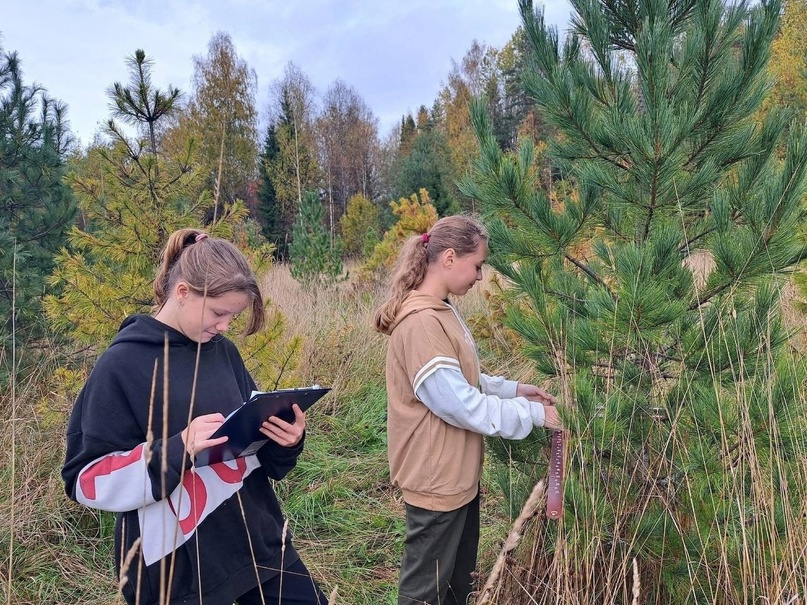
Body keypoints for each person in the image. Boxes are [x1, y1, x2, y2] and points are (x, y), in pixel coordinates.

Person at [62, 228, 328, 605]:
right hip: (177, 568)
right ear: (183, 292)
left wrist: (285, 441)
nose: (224, 326)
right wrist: (178, 449)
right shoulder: (120, 366)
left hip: (255, 543)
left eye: (232, 317)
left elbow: (256, 458)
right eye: (219, 313)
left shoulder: (223, 352)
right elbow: (84, 479)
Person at [373, 215, 562, 605]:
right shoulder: (422, 323)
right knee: (424, 592)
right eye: (477, 266)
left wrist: (514, 390)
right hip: (435, 483)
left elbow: (462, 379)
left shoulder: (441, 310)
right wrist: (535, 416)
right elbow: (462, 406)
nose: (479, 277)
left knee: (457, 584)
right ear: (449, 257)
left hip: (456, 479)